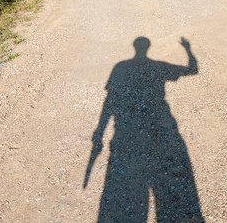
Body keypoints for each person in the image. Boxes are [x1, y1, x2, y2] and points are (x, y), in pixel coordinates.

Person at [86, 37, 204, 222]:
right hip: (163, 123)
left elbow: (110, 99)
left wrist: (100, 130)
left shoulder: (120, 66)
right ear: (148, 47)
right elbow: (193, 70)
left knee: (126, 188)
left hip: (124, 132)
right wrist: (188, 50)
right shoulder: (160, 66)